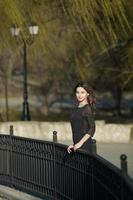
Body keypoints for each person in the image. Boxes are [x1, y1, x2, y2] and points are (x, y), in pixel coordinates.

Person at [67, 82, 96, 153]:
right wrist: (74, 145)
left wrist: (80, 143)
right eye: (77, 92)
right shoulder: (76, 108)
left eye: (82, 92)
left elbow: (92, 128)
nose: (79, 95)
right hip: (77, 145)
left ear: (87, 94)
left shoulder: (87, 108)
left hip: (85, 146)